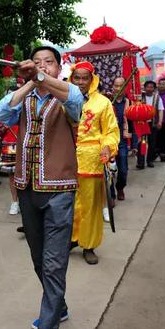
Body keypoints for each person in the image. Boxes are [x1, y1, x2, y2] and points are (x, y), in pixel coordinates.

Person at [0, 46, 84, 329]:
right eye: (36, 62)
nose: (42, 66)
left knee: (54, 263)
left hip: (59, 191)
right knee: (38, 259)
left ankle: (49, 326)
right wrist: (31, 81)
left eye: (48, 63)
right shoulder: (25, 99)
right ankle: (61, 306)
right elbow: (0, 113)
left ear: (59, 68)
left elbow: (75, 102)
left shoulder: (69, 93)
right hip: (27, 189)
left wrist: (42, 77)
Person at [69, 62, 119, 265]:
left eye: (85, 78)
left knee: (90, 206)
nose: (81, 82)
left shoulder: (103, 103)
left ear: (92, 79)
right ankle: (71, 239)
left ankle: (88, 245)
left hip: (92, 161)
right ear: (71, 78)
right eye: (77, 78)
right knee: (68, 205)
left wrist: (108, 147)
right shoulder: (63, 99)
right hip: (66, 159)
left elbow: (111, 131)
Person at [110, 77, 135, 201]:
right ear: (112, 87)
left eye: (121, 86)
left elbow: (134, 125)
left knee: (123, 169)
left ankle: (120, 188)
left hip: (122, 142)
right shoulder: (106, 102)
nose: (118, 88)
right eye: (116, 85)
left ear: (125, 88)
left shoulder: (129, 104)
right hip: (108, 141)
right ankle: (111, 196)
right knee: (109, 169)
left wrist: (135, 145)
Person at [136, 81, 163, 169]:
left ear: (154, 89)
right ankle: (141, 162)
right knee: (142, 143)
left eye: (151, 87)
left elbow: (160, 110)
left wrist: (160, 122)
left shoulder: (157, 97)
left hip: (153, 123)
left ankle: (150, 160)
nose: (149, 89)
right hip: (142, 123)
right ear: (144, 88)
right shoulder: (140, 97)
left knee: (152, 143)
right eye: (147, 87)